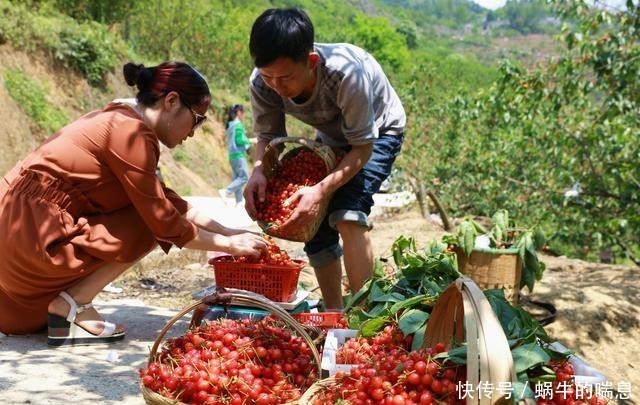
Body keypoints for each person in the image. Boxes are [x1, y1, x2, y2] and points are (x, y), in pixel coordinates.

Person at [0, 61, 268, 346]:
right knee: (149, 220)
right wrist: (228, 245)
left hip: (17, 239)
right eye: (197, 118)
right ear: (171, 101)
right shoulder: (131, 134)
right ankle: (74, 303)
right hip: (32, 242)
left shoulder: (120, 120)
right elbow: (163, 219)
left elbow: (169, 200)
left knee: (152, 209)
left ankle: (68, 304)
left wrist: (230, 232)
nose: (193, 132)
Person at [244, 8, 406, 310]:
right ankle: (334, 313)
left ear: (312, 62)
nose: (276, 86)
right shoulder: (261, 83)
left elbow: (361, 148)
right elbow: (269, 139)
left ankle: (365, 316)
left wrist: (320, 190)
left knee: (347, 213)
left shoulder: (347, 76)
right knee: (315, 227)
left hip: (379, 132)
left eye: (286, 77)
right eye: (269, 76)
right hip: (332, 137)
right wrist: (257, 173)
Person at [219, 104, 251, 205]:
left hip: (231, 155)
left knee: (237, 177)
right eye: (242, 112)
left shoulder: (230, 125)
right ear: (239, 113)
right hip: (238, 154)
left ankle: (239, 201)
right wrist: (251, 140)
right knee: (244, 177)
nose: (243, 115)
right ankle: (226, 191)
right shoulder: (238, 124)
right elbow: (239, 140)